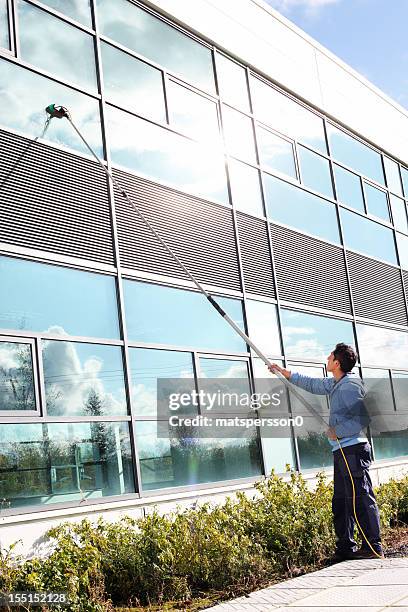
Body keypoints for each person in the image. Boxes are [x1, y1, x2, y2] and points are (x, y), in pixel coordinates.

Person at [269, 343, 384, 561]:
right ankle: (345, 548)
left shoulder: (350, 385)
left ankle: (372, 547)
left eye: (330, 356)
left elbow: (362, 418)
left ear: (337, 363)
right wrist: (284, 373)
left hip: (353, 449)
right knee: (341, 501)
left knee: (360, 498)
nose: (327, 358)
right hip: (342, 450)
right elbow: (313, 384)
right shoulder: (337, 383)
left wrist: (337, 431)